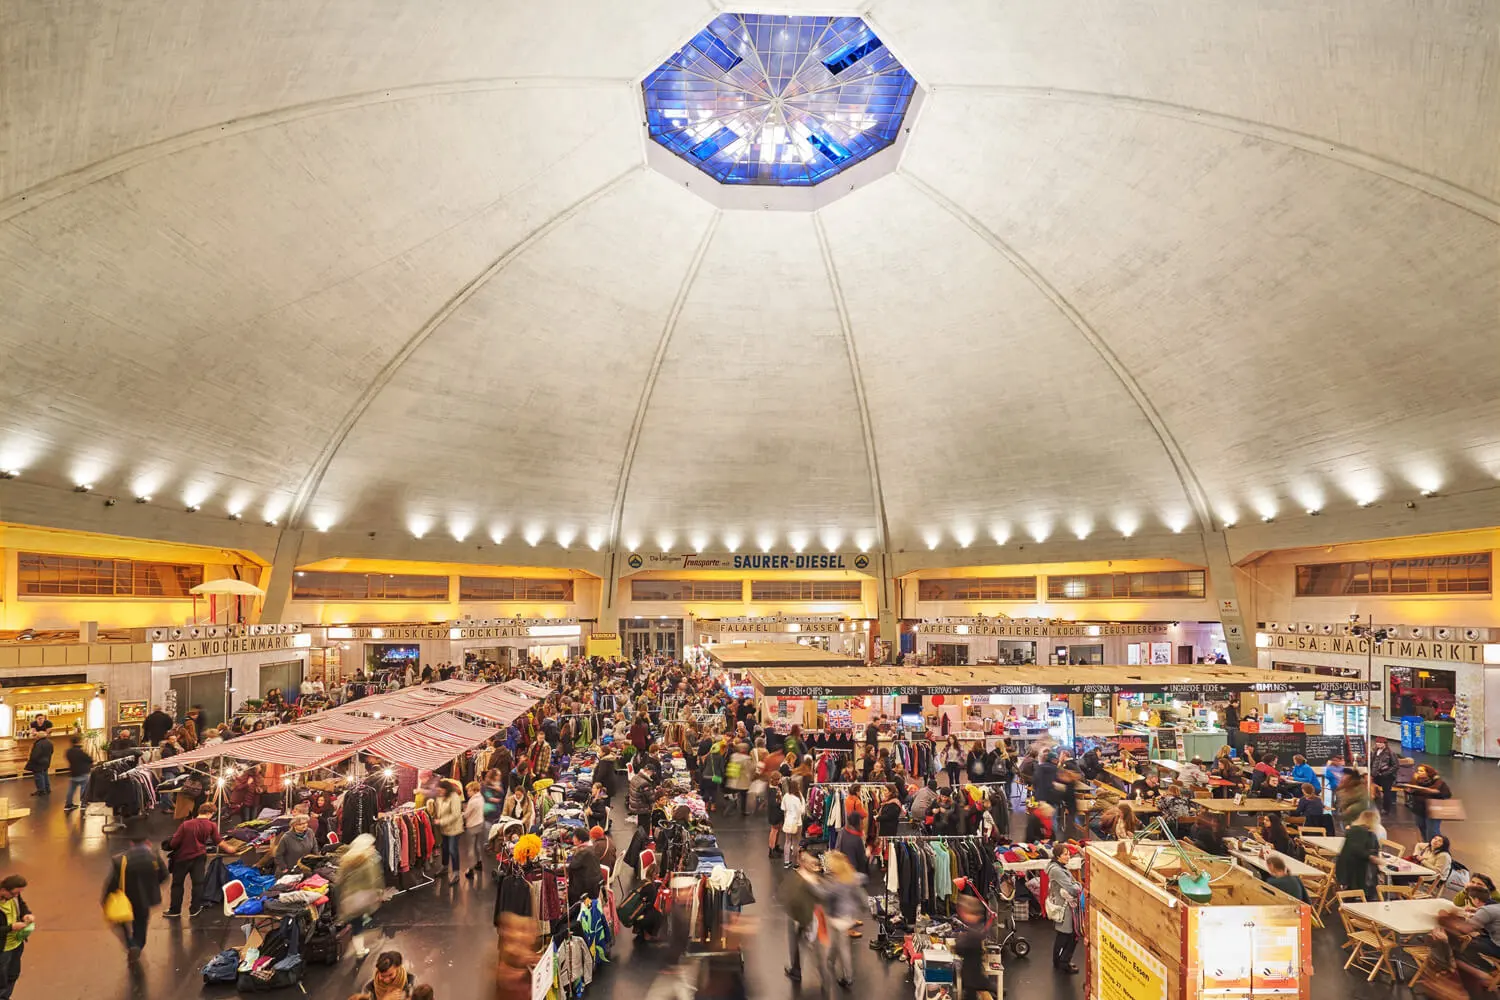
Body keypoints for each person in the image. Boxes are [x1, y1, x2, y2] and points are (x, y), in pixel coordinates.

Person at [102, 817, 167, 965]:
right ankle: (138, 944)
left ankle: (130, 943)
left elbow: (113, 883)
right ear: (147, 843)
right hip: (145, 898)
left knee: (122, 922)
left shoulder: (121, 860)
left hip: (125, 898)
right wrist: (153, 886)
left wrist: (105, 899)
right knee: (141, 923)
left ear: (131, 844)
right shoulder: (154, 857)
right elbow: (164, 876)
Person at [822, 850, 868, 989]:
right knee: (836, 939)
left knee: (843, 947)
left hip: (837, 917)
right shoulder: (851, 877)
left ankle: (848, 977)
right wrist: (865, 906)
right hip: (849, 916)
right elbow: (862, 887)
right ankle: (829, 959)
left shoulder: (835, 883)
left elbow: (827, 898)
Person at [164, 803, 221, 916]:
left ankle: (175, 910)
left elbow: (174, 843)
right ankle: (194, 909)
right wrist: (232, 849)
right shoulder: (211, 825)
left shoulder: (186, 825)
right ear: (210, 813)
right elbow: (219, 841)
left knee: (177, 884)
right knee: (198, 884)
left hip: (182, 858)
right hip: (199, 857)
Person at [336, 834, 385, 960]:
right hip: (364, 898)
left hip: (349, 898)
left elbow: (339, 881)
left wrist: (340, 897)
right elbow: (374, 879)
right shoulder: (369, 861)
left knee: (356, 922)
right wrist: (379, 892)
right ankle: (360, 950)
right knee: (359, 923)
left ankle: (359, 948)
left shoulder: (346, 860)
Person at [780, 851, 824, 984]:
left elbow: (787, 896)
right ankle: (822, 973)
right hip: (809, 917)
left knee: (797, 944)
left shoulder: (800, 878)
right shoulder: (816, 879)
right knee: (812, 946)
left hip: (799, 918)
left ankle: (796, 970)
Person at [1047, 844, 1083, 973]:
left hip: (1067, 906)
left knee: (1066, 935)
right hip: (1065, 907)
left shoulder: (1060, 868)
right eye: (1065, 854)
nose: (1068, 857)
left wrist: (1076, 885)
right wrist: (1078, 886)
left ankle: (1061, 961)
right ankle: (1063, 962)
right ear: (1058, 856)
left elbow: (1075, 884)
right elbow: (1073, 888)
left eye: (1068, 854)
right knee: (1068, 935)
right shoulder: (1057, 870)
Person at [1336, 809, 1381, 900]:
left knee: (1350, 896)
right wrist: (1373, 858)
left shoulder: (1351, 831)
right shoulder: (1370, 835)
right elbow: (1368, 852)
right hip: (1361, 873)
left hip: (1345, 871)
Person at [0, 875, 33, 1000]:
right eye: (14, 893)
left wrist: (26, 915)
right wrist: (11, 927)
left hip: (16, 945)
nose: (16, 896)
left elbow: (22, 905)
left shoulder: (15, 896)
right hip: (3, 949)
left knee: (13, 975)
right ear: (3, 890)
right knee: (1, 981)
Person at [954, 894, 990, 998]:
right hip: (973, 975)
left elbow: (959, 949)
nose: (962, 915)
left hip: (972, 977)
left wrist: (960, 940)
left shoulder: (974, 932)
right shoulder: (976, 928)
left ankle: (993, 988)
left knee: (970, 994)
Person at [1407, 764, 1452, 840]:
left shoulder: (1438, 782)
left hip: (1433, 810)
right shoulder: (1416, 780)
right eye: (1418, 771)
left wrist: (1434, 792)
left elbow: (1447, 794)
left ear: (1428, 772)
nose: (1418, 772)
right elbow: (1410, 790)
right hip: (1419, 809)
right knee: (1421, 826)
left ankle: (1437, 846)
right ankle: (1426, 844)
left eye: (1421, 771)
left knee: (1432, 831)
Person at [433, 779, 465, 885]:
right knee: (445, 848)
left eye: (441, 790)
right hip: (444, 828)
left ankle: (456, 873)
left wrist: (441, 821)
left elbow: (455, 814)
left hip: (454, 829)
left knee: (452, 849)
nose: (440, 792)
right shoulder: (439, 797)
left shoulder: (454, 797)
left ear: (446, 789)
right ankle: (445, 867)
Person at [566, 828, 602, 905]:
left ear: (580, 841)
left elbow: (572, 867)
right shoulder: (591, 847)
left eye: (574, 837)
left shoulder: (583, 852)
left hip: (585, 889)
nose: (572, 839)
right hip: (594, 886)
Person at [273, 812, 317, 876]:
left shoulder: (310, 832)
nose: (304, 825)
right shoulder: (286, 837)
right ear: (294, 825)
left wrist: (316, 861)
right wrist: (284, 868)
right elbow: (278, 855)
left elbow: (314, 847)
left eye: (305, 823)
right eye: (300, 824)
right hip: (290, 871)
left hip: (305, 869)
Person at [781, 777, 806, 869]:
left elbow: (783, 809)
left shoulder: (786, 796)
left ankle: (786, 862)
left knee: (787, 842)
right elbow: (802, 811)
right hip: (797, 823)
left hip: (788, 822)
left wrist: (786, 820)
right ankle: (795, 863)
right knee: (795, 843)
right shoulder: (799, 798)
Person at [1369, 738, 1399, 813]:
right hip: (1375, 775)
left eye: (1380, 742)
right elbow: (1372, 763)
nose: (1378, 744)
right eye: (1377, 742)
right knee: (1370, 787)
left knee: (1386, 792)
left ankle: (1386, 809)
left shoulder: (1390, 753)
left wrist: (1385, 773)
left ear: (1385, 743)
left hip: (1386, 776)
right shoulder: (1375, 752)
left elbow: (1395, 766)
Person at [23, 732, 52, 797]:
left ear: (38, 737)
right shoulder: (49, 742)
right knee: (45, 775)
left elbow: (35, 755)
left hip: (38, 763)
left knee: (39, 777)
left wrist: (31, 761)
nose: (35, 737)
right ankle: (47, 789)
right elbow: (51, 751)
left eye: (36, 736)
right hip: (46, 761)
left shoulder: (38, 744)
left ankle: (41, 790)